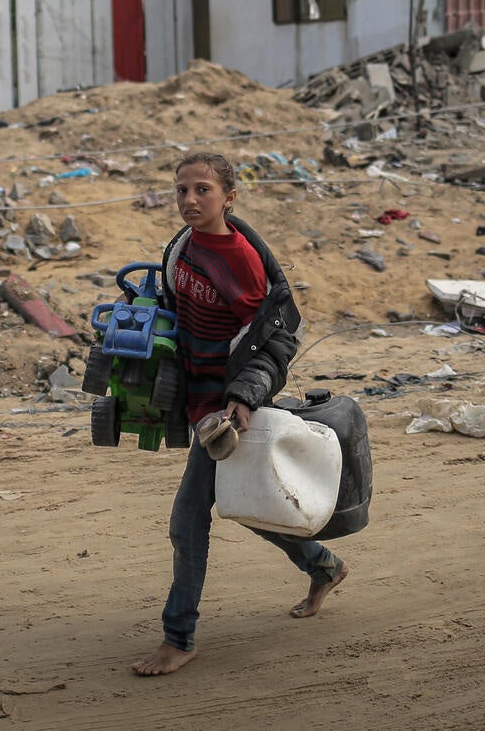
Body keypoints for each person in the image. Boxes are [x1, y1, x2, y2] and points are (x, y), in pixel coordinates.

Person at [131, 150, 350, 677]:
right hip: (197, 403)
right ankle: (324, 566)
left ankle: (179, 636)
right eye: (182, 190)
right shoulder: (182, 247)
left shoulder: (242, 259)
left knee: (188, 520)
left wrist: (246, 397)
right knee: (248, 503)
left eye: (202, 190)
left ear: (229, 198)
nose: (189, 200)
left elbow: (275, 339)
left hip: (230, 408)